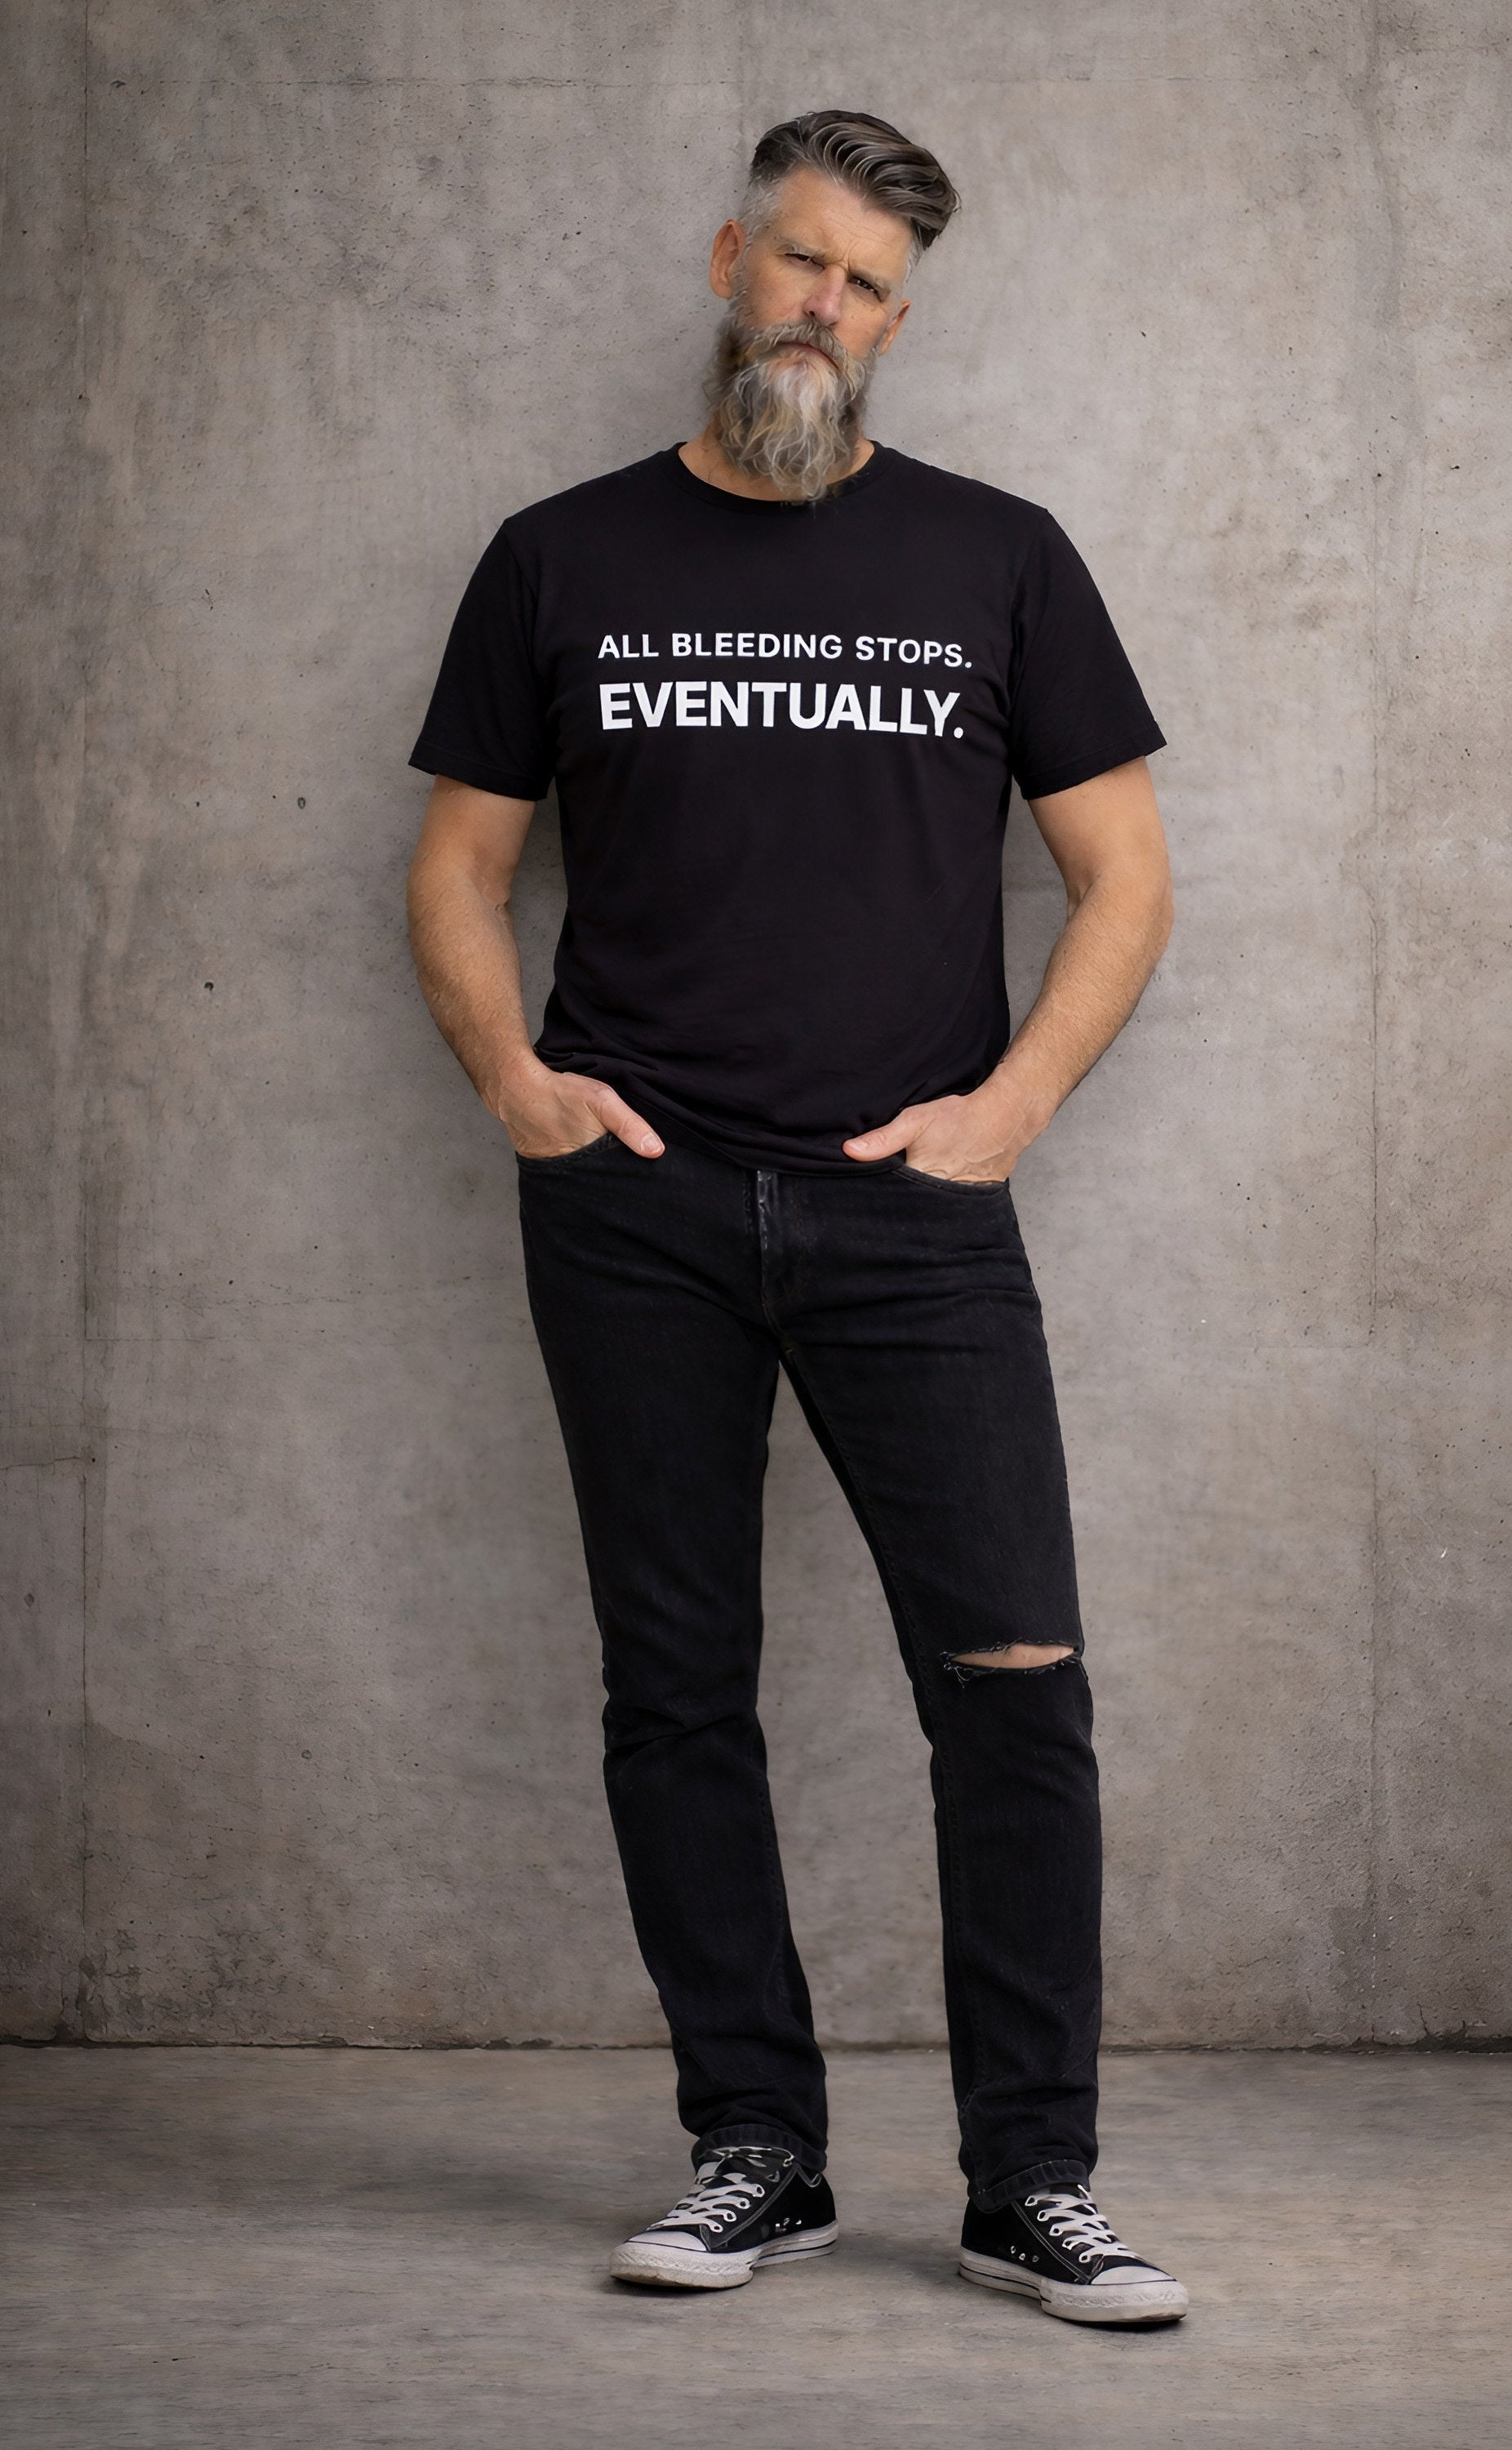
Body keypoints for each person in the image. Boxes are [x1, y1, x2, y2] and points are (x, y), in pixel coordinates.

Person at [406, 109, 1186, 2328]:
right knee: (677, 1689)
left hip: (909, 1218)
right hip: (632, 1208)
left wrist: (1009, 1110)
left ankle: (1036, 2182)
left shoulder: (998, 558)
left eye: (868, 286)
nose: (824, 308)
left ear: (900, 319)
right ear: (731, 254)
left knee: (1015, 1685)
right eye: (803, 261)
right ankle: (758, 2149)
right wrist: (521, 1094)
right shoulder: (560, 557)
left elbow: (1125, 880)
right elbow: (458, 871)